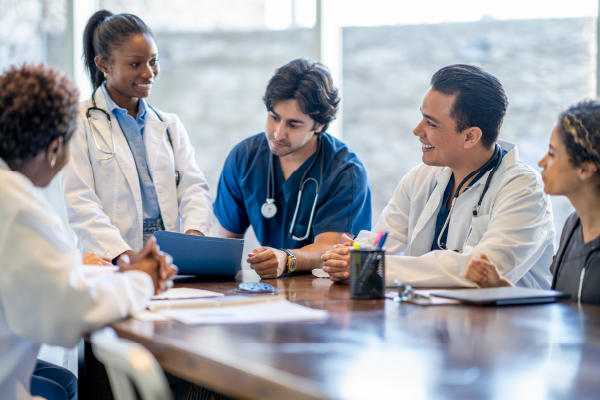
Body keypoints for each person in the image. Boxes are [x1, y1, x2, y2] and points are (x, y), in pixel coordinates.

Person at [0, 64, 175, 400]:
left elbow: (30, 282)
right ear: (54, 149)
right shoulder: (18, 206)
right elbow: (71, 313)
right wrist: (141, 280)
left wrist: (94, 273)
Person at [322, 64, 555, 288]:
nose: (417, 131)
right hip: (430, 318)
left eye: (431, 123)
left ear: (470, 137)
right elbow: (381, 240)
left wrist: (369, 267)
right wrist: (347, 257)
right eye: (422, 117)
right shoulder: (420, 178)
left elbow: (481, 272)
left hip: (505, 324)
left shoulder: (524, 189)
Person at [62, 10, 212, 262]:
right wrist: (127, 259)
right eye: (135, 64)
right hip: (111, 265)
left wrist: (193, 239)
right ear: (104, 65)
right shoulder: (78, 121)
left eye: (153, 61)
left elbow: (194, 189)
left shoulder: (170, 125)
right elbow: (80, 202)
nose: (149, 73)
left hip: (170, 265)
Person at [214, 58, 372, 278]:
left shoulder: (346, 172)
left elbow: (330, 249)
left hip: (325, 290)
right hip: (270, 291)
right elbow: (226, 246)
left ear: (319, 125)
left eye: (293, 124)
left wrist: (287, 259)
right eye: (274, 117)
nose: (278, 134)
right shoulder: (244, 157)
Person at [466, 100, 600, 304]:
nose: (542, 162)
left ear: (586, 168)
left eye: (552, 153)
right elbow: (563, 310)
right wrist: (498, 287)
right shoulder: (573, 225)